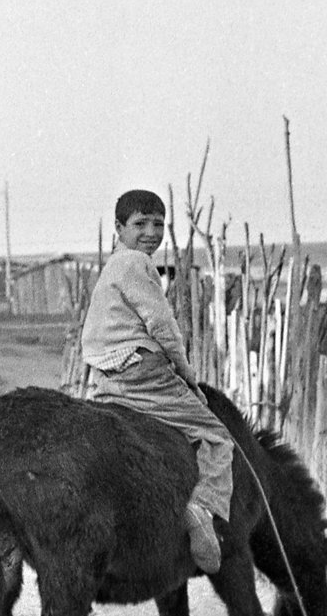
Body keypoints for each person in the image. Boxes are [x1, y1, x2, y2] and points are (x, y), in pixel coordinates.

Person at [80, 189, 234, 575]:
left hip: (106, 373)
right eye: (140, 224)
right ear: (119, 228)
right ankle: (202, 508)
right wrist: (185, 370)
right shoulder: (136, 263)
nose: (151, 232)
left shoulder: (113, 265)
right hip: (141, 370)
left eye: (158, 224)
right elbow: (161, 324)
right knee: (217, 435)